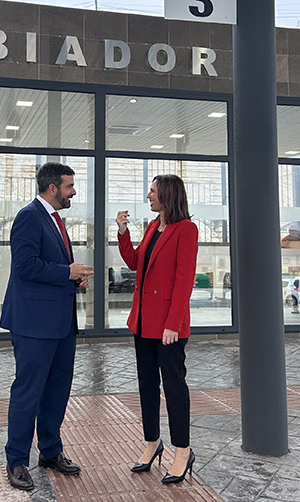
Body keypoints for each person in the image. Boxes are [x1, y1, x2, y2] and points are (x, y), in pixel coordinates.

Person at [1, 162, 94, 491]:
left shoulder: (55, 220)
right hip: (33, 324)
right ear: (52, 188)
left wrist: (73, 280)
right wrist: (66, 272)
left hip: (61, 324)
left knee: (57, 392)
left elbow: (51, 268)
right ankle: (16, 461)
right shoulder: (29, 217)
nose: (74, 191)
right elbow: (25, 266)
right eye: (70, 186)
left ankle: (50, 451)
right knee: (28, 393)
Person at [115, 174, 198, 485]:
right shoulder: (153, 226)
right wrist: (123, 232)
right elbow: (136, 262)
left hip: (168, 327)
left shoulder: (186, 229)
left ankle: (182, 451)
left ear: (166, 195)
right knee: (147, 386)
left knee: (174, 388)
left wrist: (173, 323)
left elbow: (183, 280)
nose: (147, 196)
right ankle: (152, 443)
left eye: (152, 192)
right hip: (142, 321)